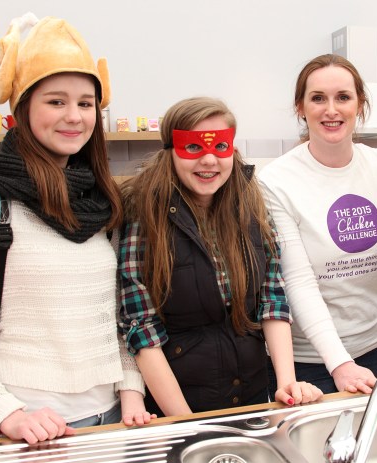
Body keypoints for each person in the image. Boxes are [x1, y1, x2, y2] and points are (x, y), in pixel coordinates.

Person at [0, 14, 152, 444]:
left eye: (86, 103)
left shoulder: (102, 204)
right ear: (23, 108)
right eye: (56, 101)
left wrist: (131, 390)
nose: (74, 116)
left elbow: (115, 318)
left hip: (112, 421)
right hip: (27, 430)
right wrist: (6, 414)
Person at [118, 97, 322, 417]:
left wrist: (286, 384)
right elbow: (142, 329)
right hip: (180, 407)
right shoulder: (143, 215)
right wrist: (186, 423)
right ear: (171, 150)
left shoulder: (250, 203)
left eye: (221, 147)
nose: (209, 160)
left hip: (252, 398)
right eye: (194, 148)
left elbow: (272, 297)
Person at [258, 54, 377, 395]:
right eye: (318, 98)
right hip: (308, 360)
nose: (331, 110)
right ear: (301, 107)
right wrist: (338, 363)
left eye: (343, 97)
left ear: (360, 104)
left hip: (374, 344)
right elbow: (297, 280)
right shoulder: (277, 181)